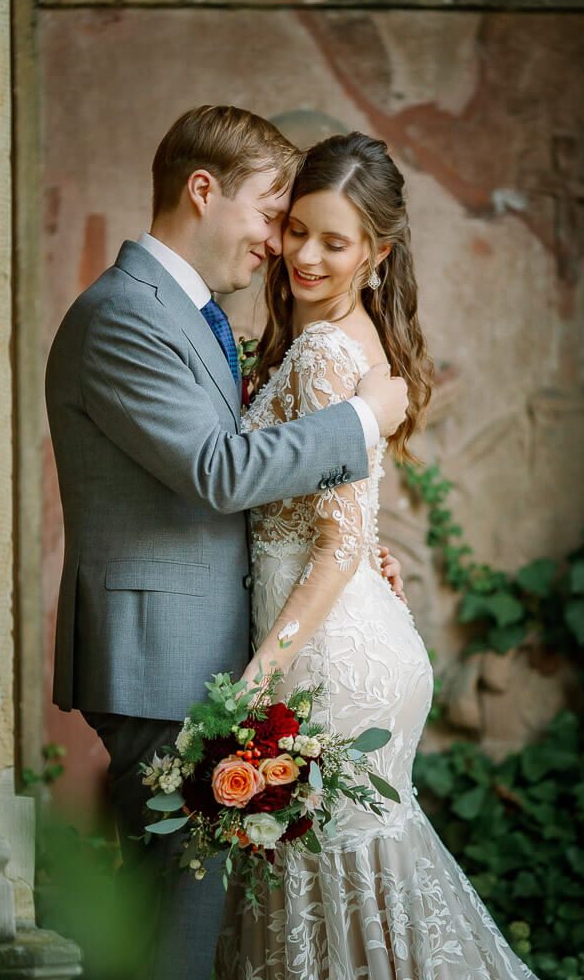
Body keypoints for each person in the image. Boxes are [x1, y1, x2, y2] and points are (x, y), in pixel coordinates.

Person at [44, 106, 409, 980]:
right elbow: (218, 469)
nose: (279, 245)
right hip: (162, 663)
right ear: (203, 191)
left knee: (198, 923)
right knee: (183, 929)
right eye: (270, 215)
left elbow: (225, 476)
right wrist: (363, 419)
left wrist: (350, 542)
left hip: (211, 658)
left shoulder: (189, 311)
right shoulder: (123, 316)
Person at [216, 132, 538, 980]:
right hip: (348, 634)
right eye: (297, 231)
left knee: (328, 892)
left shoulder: (325, 352)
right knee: (350, 895)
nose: (304, 257)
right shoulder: (345, 338)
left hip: (326, 660)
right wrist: (368, 561)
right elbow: (348, 526)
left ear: (377, 251)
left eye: (335, 241)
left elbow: (340, 538)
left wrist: (258, 676)